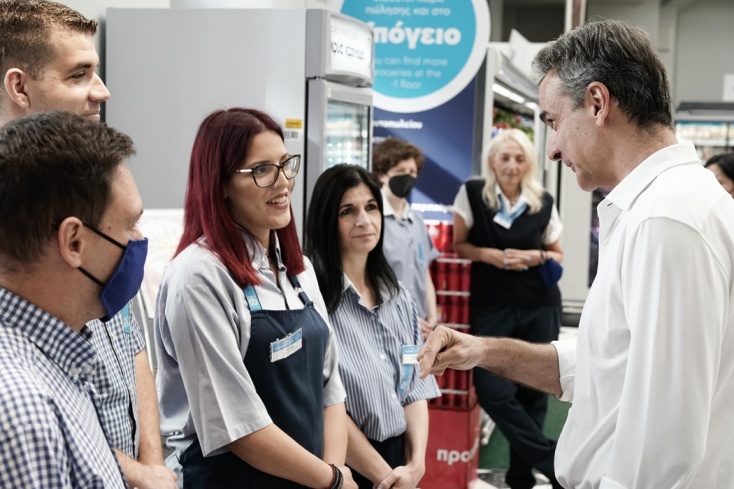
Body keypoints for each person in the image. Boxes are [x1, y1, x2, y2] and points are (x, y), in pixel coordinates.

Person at [419, 19, 734, 489]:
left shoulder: (665, 218)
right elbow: (607, 364)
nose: (550, 150)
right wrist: (481, 350)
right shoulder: (660, 207)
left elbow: (667, 444)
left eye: (553, 122)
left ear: (597, 103)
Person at [0, 2, 176, 488]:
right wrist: (132, 474)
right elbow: (24, 417)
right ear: (20, 87)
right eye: (79, 74)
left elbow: (130, 337)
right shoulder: (17, 220)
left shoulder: (99, 184)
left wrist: (152, 465)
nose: (101, 91)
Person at [154, 108, 356, 489]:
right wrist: (332, 480)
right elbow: (238, 427)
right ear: (221, 184)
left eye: (285, 164)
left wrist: (332, 473)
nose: (283, 182)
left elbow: (330, 390)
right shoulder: (198, 277)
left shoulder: (300, 271)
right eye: (263, 170)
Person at [0, 111, 143, 488]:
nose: (139, 239)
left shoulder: (59, 359)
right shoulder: (24, 410)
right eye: (130, 224)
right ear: (74, 242)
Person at [305, 164, 440, 489]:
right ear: (326, 221)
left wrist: (416, 465)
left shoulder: (398, 296)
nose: (364, 221)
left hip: (401, 461)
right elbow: (323, 405)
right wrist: (385, 477)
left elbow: (415, 383)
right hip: (346, 467)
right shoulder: (313, 302)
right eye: (347, 211)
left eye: (371, 207)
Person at [452, 128, 563, 489]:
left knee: (534, 391)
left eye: (519, 158)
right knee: (491, 389)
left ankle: (520, 476)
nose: (512, 165)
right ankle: (552, 460)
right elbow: (460, 244)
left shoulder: (542, 200)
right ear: (492, 161)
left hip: (539, 304)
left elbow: (557, 254)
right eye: (505, 158)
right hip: (492, 304)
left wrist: (535, 256)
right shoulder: (472, 194)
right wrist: (492, 256)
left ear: (528, 163)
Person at [372, 138, 440, 339]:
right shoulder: (372, 220)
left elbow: (424, 273)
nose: (408, 177)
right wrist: (405, 317)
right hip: (385, 324)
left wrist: (432, 316)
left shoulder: (417, 221)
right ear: (382, 174)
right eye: (401, 171)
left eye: (412, 172)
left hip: (420, 328)